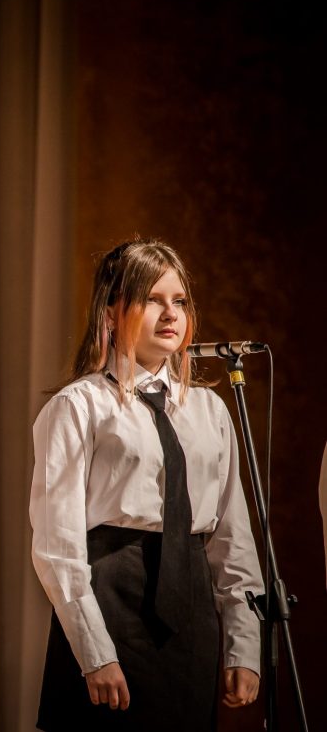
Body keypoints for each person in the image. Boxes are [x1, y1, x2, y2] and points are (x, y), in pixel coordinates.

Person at [29, 239, 262, 730]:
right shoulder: (78, 407)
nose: (170, 313)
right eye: (152, 300)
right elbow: (57, 547)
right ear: (111, 313)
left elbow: (232, 537)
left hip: (191, 609)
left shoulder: (210, 410)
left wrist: (244, 645)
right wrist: (95, 653)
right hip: (112, 603)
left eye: (179, 301)